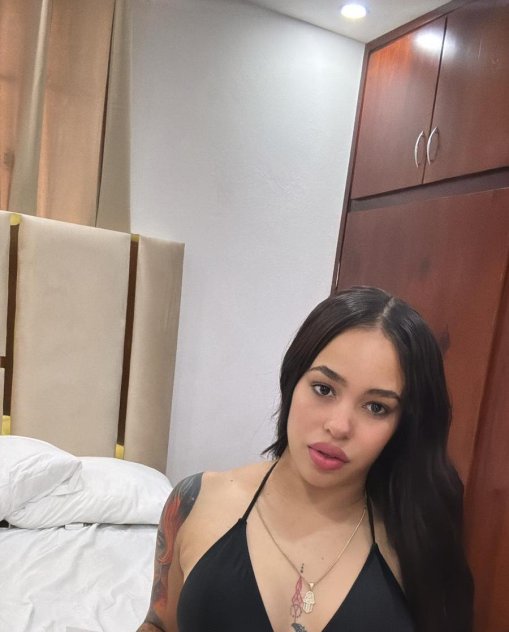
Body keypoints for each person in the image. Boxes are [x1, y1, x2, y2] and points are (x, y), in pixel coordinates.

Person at [137, 286, 473, 632]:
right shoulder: (196, 501)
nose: (338, 426)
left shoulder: (417, 538)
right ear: (293, 380)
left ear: (402, 424)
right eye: (324, 389)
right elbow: (159, 625)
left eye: (376, 407)